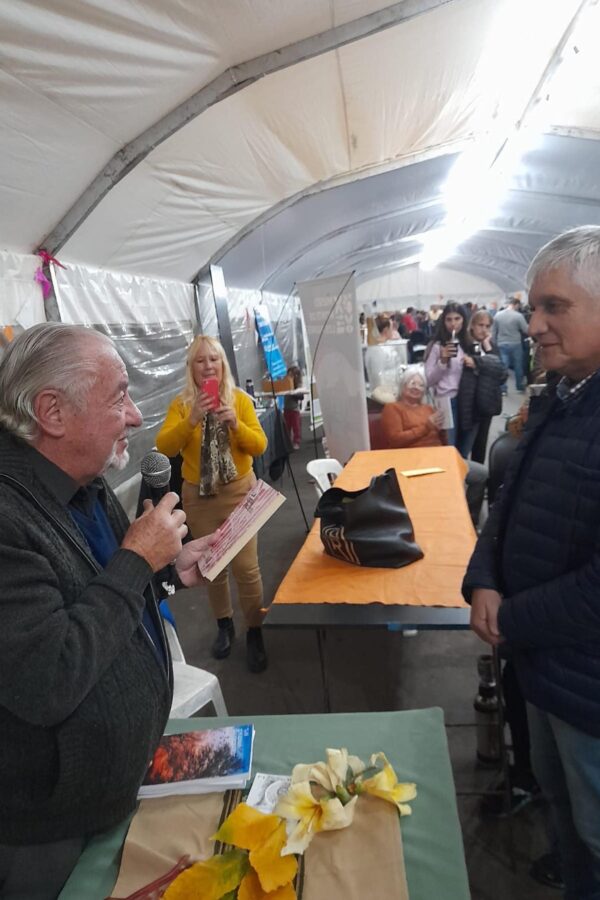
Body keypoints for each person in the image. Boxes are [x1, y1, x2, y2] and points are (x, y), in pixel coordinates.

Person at [0, 323, 213, 900]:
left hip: (113, 784)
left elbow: (95, 593)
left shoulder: (82, 482)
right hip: (51, 832)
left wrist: (165, 572)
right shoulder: (7, 517)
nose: (137, 416)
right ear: (53, 412)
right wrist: (138, 558)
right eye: (118, 394)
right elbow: (48, 676)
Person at [463, 225, 600, 899]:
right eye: (533, 306)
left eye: (555, 307)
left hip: (588, 689)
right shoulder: (561, 396)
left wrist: (510, 615)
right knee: (568, 825)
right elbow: (508, 499)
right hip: (548, 669)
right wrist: (483, 577)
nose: (533, 325)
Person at [156, 335, 269, 673]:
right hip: (200, 498)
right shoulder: (180, 405)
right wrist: (190, 419)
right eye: (200, 360)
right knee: (213, 569)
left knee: (247, 569)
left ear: (223, 365)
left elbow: (259, 446)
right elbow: (164, 447)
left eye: (214, 359)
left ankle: (255, 631)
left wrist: (236, 424)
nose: (208, 366)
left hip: (240, 495)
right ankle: (224, 626)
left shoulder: (239, 401)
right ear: (191, 368)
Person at [381, 367, 488, 526]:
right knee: (445, 482)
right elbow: (396, 440)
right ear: (403, 385)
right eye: (412, 383)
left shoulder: (429, 409)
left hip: (439, 456)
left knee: (481, 473)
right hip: (412, 460)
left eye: (420, 385)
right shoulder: (392, 409)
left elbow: (441, 440)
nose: (416, 387)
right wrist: (427, 426)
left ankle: (470, 521)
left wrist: (443, 430)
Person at [456, 309, 506, 462]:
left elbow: (502, 373)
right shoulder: (465, 344)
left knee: (481, 443)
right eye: (480, 325)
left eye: (487, 326)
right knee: (464, 442)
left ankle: (478, 480)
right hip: (469, 401)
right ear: (472, 325)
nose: (484, 330)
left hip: (486, 401)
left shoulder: (490, 345)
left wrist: (486, 353)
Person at [424, 301, 471, 447]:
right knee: (450, 446)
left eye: (457, 318)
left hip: (468, 400)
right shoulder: (437, 346)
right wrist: (443, 361)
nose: (453, 324)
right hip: (447, 400)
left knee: (465, 446)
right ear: (443, 321)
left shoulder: (468, 343)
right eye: (449, 319)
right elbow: (429, 380)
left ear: (464, 319)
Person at [492, 297, 529, 393]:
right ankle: (519, 387)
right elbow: (526, 330)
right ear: (516, 305)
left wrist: (494, 344)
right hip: (515, 344)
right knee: (518, 366)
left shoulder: (498, 315)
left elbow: (494, 331)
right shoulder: (518, 316)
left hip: (501, 344)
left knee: (504, 367)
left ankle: (503, 389)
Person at [283, 364, 303, 450]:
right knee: (287, 427)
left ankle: (296, 442)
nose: (289, 377)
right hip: (286, 409)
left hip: (294, 409)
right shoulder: (286, 384)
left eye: (291, 375)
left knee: (296, 427)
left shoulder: (297, 385)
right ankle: (288, 442)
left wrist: (293, 392)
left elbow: (301, 396)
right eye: (288, 375)